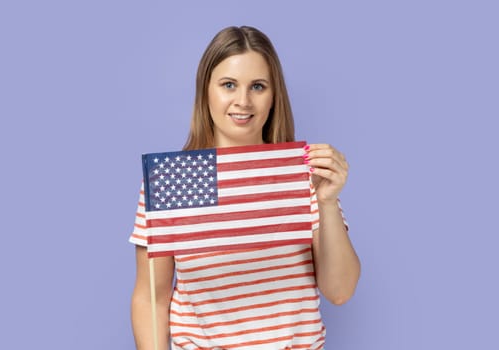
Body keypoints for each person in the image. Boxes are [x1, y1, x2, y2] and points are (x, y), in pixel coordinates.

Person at [129, 25, 360, 350]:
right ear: (205, 91)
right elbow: (151, 298)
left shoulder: (301, 174)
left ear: (273, 95)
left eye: (258, 86)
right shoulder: (176, 181)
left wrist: (327, 201)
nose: (243, 101)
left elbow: (340, 291)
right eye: (228, 85)